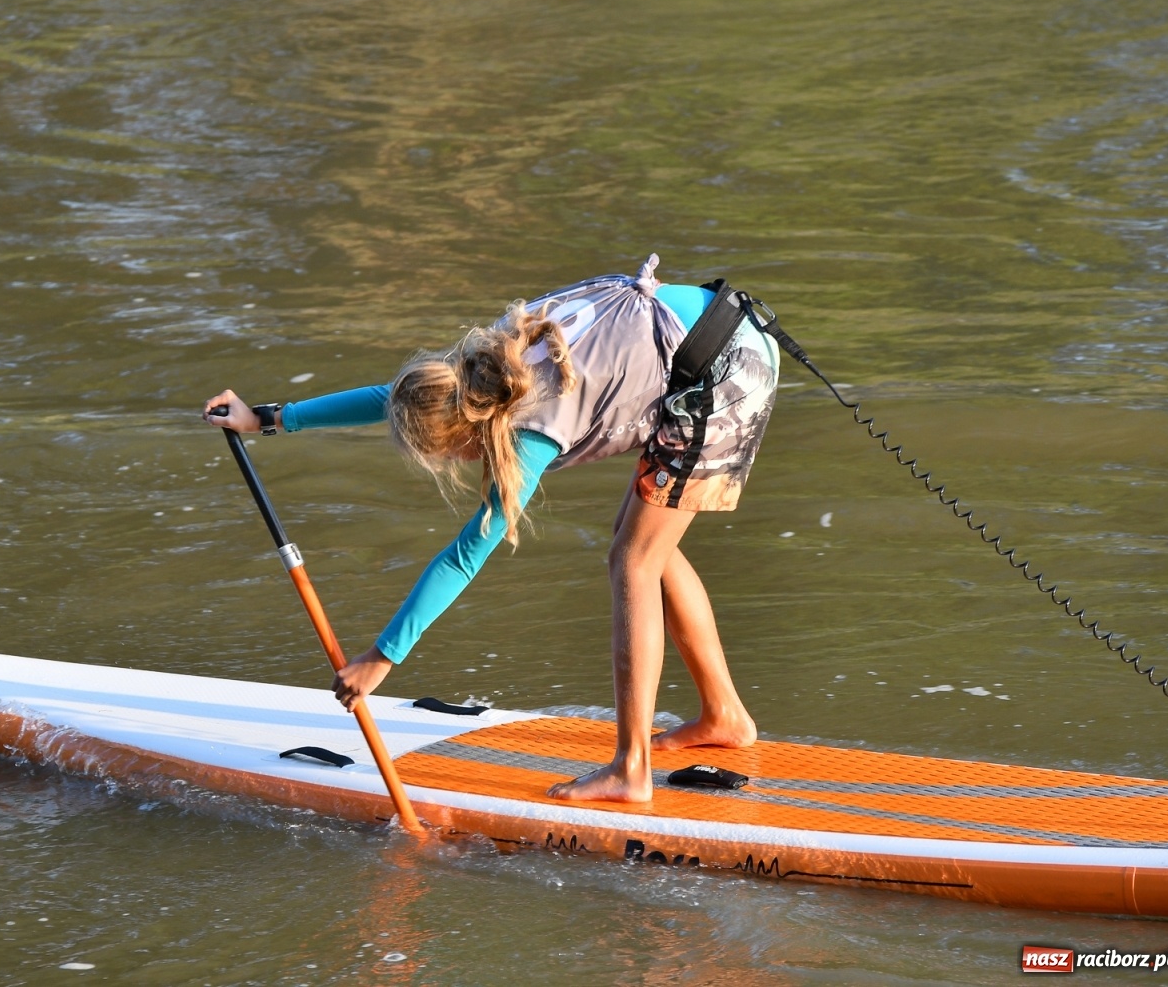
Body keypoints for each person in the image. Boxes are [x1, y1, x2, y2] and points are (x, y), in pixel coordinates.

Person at [202, 253, 779, 803]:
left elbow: (463, 557)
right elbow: (392, 397)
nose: (460, 464)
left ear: (465, 434)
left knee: (634, 560)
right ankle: (723, 714)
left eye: (453, 454)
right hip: (715, 323)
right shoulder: (474, 372)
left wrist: (380, 658)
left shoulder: (528, 431)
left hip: (725, 370)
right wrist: (271, 419)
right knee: (643, 545)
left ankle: (632, 771)